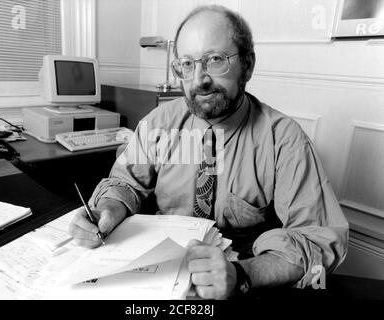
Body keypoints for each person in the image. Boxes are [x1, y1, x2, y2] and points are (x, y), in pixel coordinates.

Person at [69, 5, 348, 299]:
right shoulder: (157, 124)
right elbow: (124, 183)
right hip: (159, 279)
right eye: (187, 65)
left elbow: (319, 241)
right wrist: (108, 210)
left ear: (248, 65)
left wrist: (242, 275)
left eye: (215, 60)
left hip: (241, 282)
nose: (199, 79)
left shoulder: (285, 141)